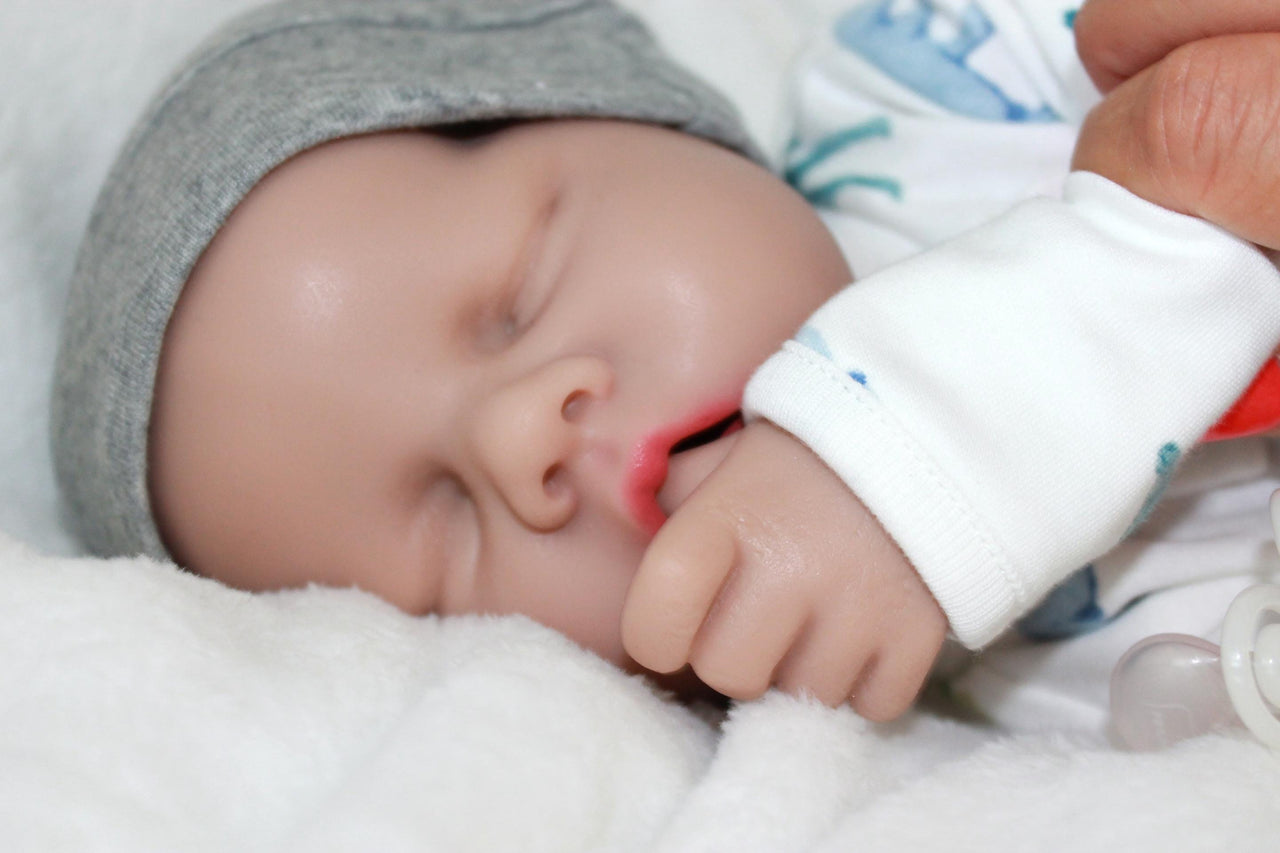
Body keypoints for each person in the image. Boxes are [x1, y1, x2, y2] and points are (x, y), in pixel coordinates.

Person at [52, 0, 1280, 729]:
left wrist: (907, 451)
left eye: (517, 294)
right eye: (441, 555)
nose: (518, 439)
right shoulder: (1034, 703)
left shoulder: (964, 79)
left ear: (651, 118)